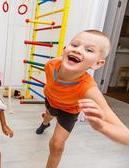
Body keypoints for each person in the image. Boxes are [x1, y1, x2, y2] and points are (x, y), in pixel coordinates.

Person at [35, 29, 129, 168]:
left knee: (56, 145)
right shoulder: (50, 65)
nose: (78, 50)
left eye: (89, 50)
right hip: (51, 100)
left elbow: (125, 135)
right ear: (64, 50)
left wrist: (103, 127)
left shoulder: (88, 88)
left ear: (97, 64)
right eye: (75, 45)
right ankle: (45, 122)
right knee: (48, 115)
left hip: (69, 110)